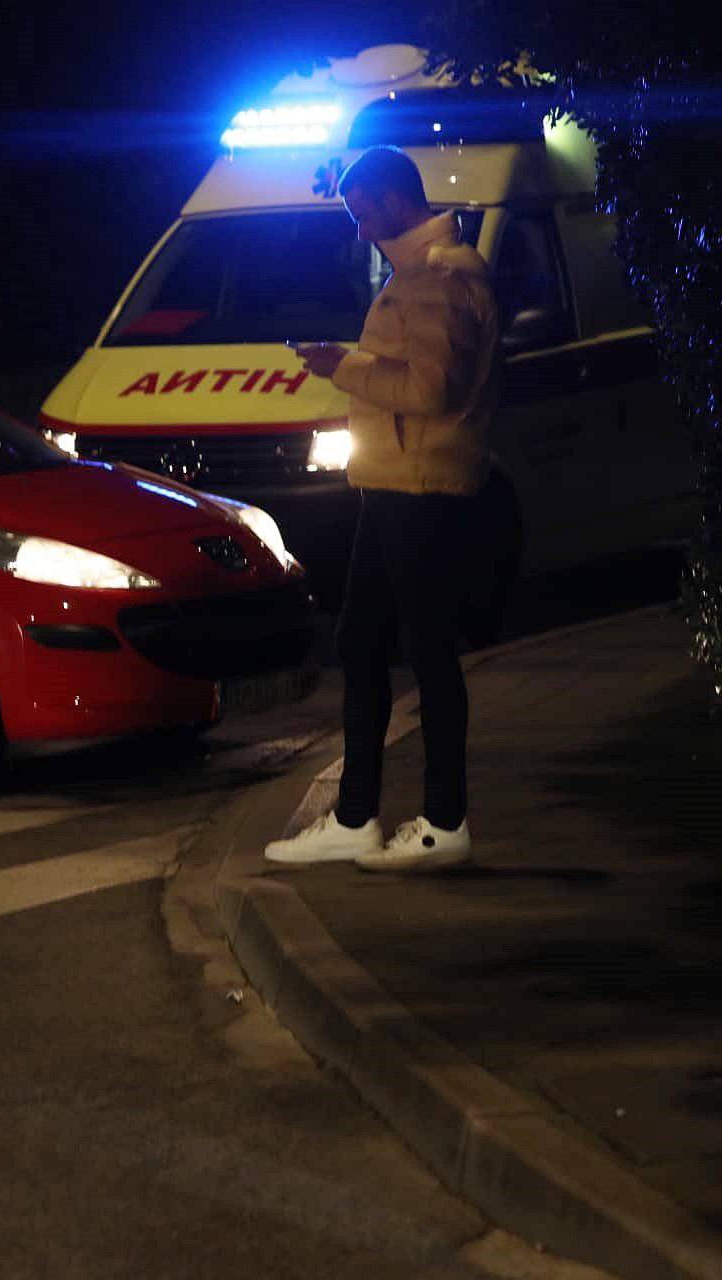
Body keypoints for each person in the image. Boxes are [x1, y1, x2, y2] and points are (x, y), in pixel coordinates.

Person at [264, 146, 500, 872]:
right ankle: (358, 816)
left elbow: (431, 390)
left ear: (395, 202)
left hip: (419, 487)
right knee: (362, 643)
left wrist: (347, 368)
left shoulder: (437, 278)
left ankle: (441, 823)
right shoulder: (429, 274)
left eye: (363, 214)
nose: (361, 230)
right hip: (395, 482)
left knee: (425, 651)